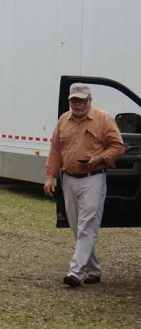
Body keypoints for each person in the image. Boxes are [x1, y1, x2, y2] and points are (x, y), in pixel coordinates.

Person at [43, 83, 126, 288]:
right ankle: (93, 269)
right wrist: (49, 177)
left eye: (81, 100)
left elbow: (118, 147)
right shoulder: (63, 119)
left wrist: (99, 158)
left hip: (93, 178)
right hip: (68, 179)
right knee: (76, 226)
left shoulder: (103, 119)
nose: (77, 104)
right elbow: (55, 149)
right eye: (74, 101)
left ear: (90, 100)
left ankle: (75, 271)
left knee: (87, 225)